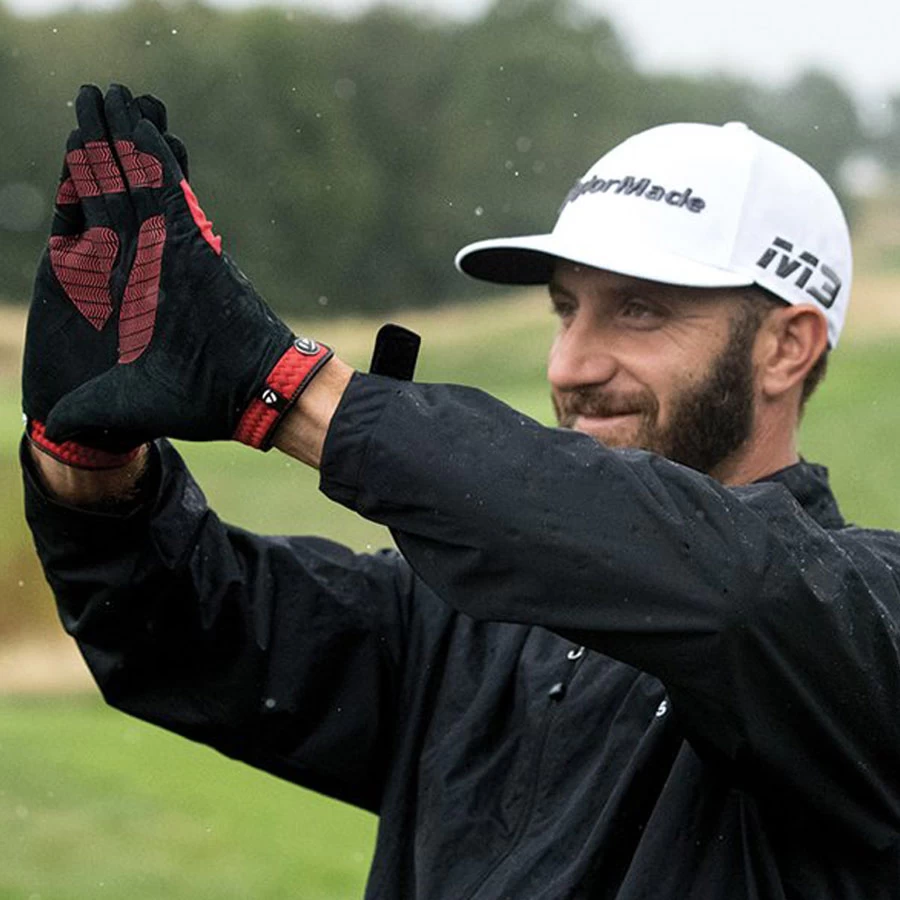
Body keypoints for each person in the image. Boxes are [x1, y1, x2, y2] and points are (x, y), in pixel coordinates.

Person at [21, 84, 900, 898]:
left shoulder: (862, 629)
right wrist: (88, 462)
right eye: (566, 309)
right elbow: (184, 628)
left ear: (787, 346)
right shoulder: (463, 623)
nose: (571, 365)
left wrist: (289, 389)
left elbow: (733, 599)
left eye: (640, 310)